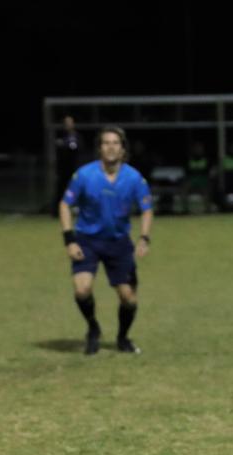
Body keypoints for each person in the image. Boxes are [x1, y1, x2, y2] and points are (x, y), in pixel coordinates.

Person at [59, 125, 154, 355]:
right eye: (106, 143)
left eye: (115, 143)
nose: (111, 147)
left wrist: (144, 238)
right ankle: (93, 329)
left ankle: (122, 338)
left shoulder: (133, 178)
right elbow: (64, 204)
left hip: (119, 242)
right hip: (87, 240)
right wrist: (70, 240)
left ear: (123, 149)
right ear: (99, 148)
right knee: (82, 289)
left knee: (129, 298)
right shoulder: (84, 175)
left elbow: (147, 209)